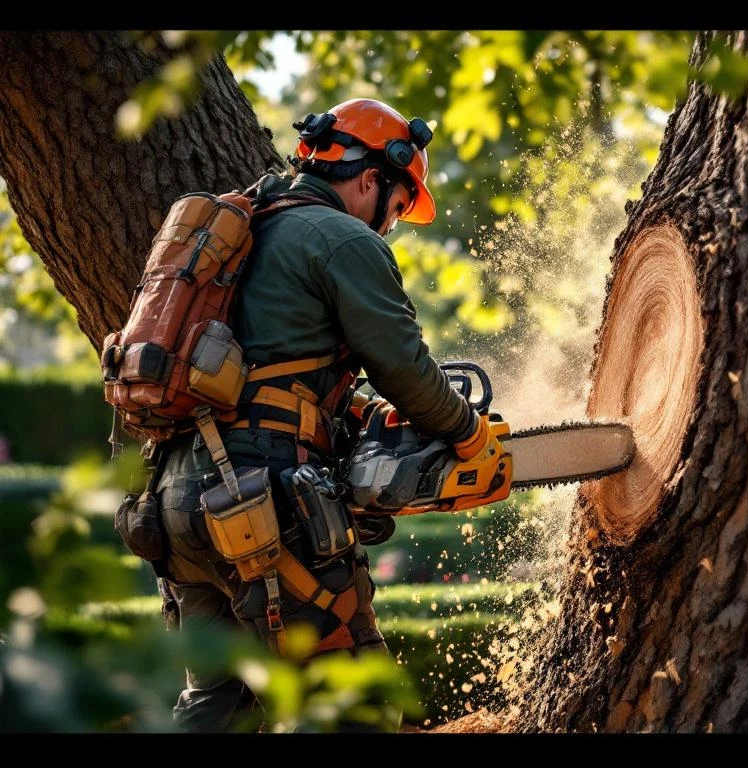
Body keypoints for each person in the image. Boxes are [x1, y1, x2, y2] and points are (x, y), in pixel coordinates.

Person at [151, 98, 502, 732]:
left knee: (216, 704)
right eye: (396, 208)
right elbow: (405, 370)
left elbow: (271, 375)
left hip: (175, 503)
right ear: (372, 178)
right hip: (260, 508)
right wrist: (470, 436)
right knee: (355, 710)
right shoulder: (341, 239)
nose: (391, 225)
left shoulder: (248, 221)